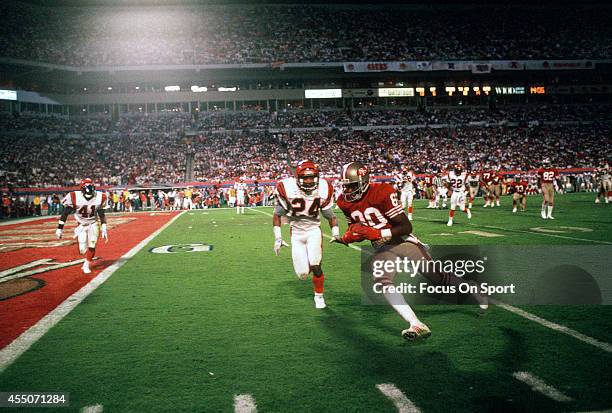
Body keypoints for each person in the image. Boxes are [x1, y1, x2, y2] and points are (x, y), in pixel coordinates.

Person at [333, 161, 487, 341]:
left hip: (402, 241)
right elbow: (355, 226)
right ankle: (415, 323)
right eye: (346, 186)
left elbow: (406, 226)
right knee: (383, 280)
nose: (349, 191)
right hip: (382, 246)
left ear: (364, 180)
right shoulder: (343, 201)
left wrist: (377, 232)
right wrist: (347, 237)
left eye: (352, 186)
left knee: (439, 278)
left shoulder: (381, 191)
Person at [273, 160, 339, 309]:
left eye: (312, 177)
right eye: (305, 178)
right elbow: (277, 215)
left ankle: (319, 296)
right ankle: (308, 263)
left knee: (316, 265)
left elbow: (330, 215)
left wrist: (335, 233)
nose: (309, 181)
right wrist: (278, 237)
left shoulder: (323, 188)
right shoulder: (287, 188)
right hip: (296, 233)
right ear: (298, 178)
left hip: (313, 231)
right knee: (302, 274)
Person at [55, 178, 109, 274]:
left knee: (92, 245)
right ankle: (85, 255)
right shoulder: (74, 196)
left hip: (93, 223)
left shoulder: (100, 196)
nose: (89, 197)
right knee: (82, 250)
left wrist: (104, 226)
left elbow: (101, 213)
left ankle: (86, 264)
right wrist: (59, 228)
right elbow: (65, 213)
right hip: (81, 225)